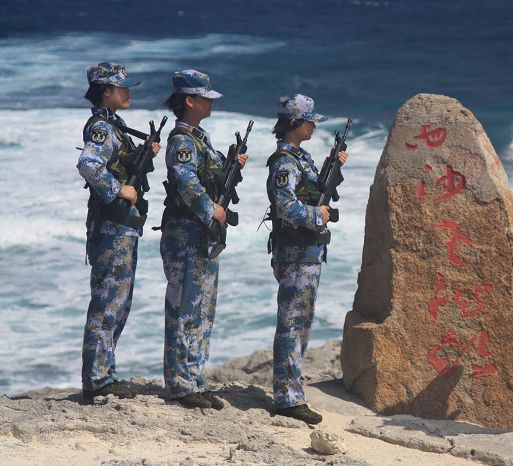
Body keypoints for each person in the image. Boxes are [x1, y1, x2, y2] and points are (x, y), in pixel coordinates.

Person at [160, 70, 248, 409]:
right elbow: (185, 181)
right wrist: (211, 209)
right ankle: (181, 383)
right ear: (189, 100)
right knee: (184, 308)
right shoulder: (182, 141)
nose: (210, 102)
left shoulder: (199, 138)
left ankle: (195, 378)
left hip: (201, 236)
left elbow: (208, 175)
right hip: (185, 234)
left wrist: (232, 164)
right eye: (205, 97)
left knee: (202, 310)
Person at [77, 62, 161, 402]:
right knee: (108, 302)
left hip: (122, 227)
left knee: (118, 303)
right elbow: (89, 164)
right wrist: (118, 190)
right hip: (111, 228)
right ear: (107, 90)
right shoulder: (101, 127)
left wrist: (144, 154)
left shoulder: (115, 125)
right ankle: (97, 379)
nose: (128, 93)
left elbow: (117, 163)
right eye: (122, 87)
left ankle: (105, 374)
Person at [266, 94, 348, 424]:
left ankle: (292, 392)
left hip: (307, 252)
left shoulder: (302, 159)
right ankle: (287, 398)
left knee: (300, 324)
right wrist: (319, 216)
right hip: (295, 253)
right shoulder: (285, 162)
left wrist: (335, 167)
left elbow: (314, 191)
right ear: (294, 123)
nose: (313, 126)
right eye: (309, 121)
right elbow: (285, 206)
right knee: (292, 324)